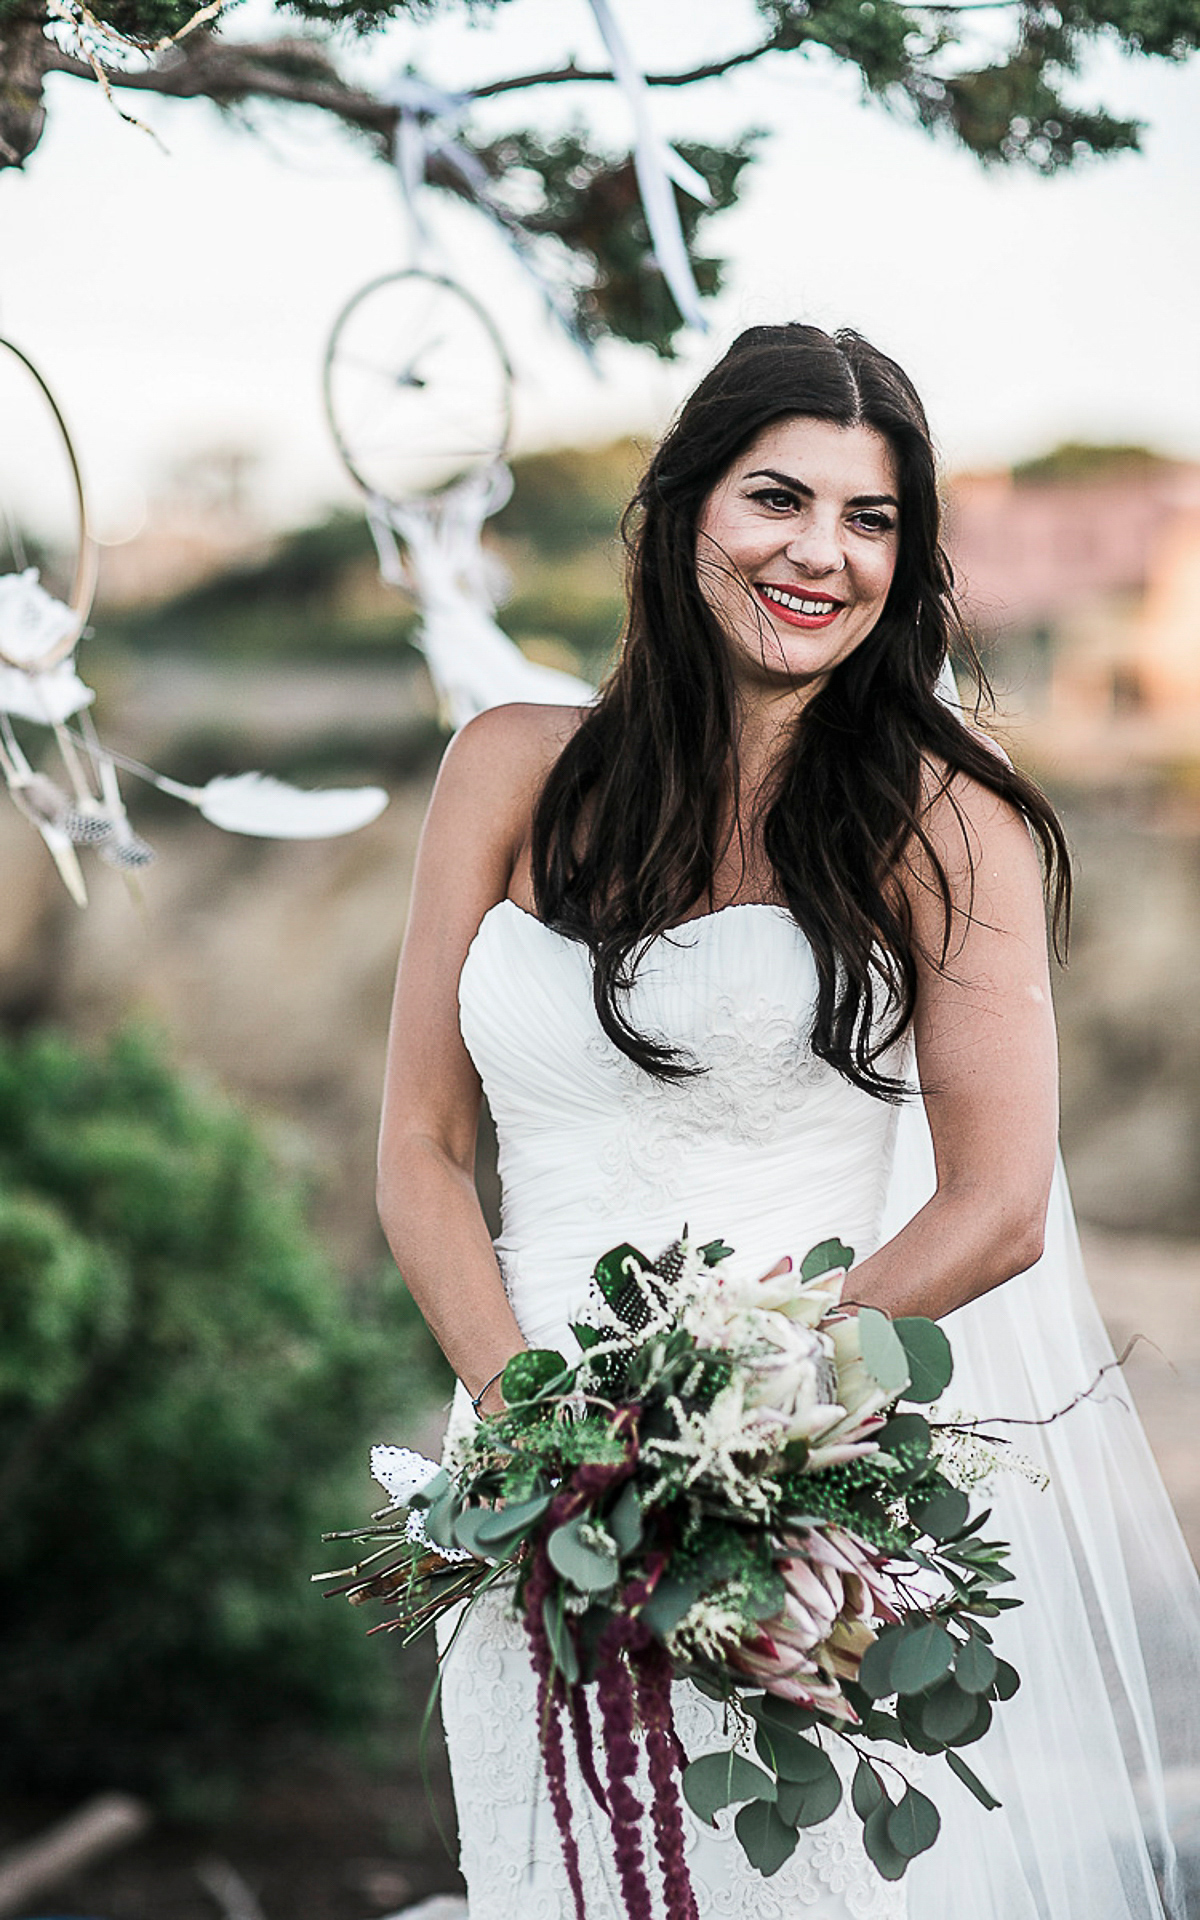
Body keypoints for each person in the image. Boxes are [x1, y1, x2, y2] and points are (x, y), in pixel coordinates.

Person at [377, 323, 1200, 1920]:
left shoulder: (938, 817)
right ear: (683, 508)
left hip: (781, 1492)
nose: (824, 553)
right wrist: (543, 1440)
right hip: (525, 1481)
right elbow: (419, 1146)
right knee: (552, 1875)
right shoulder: (504, 769)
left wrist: (719, 1434)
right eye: (779, 499)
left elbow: (997, 1206)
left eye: (873, 518)